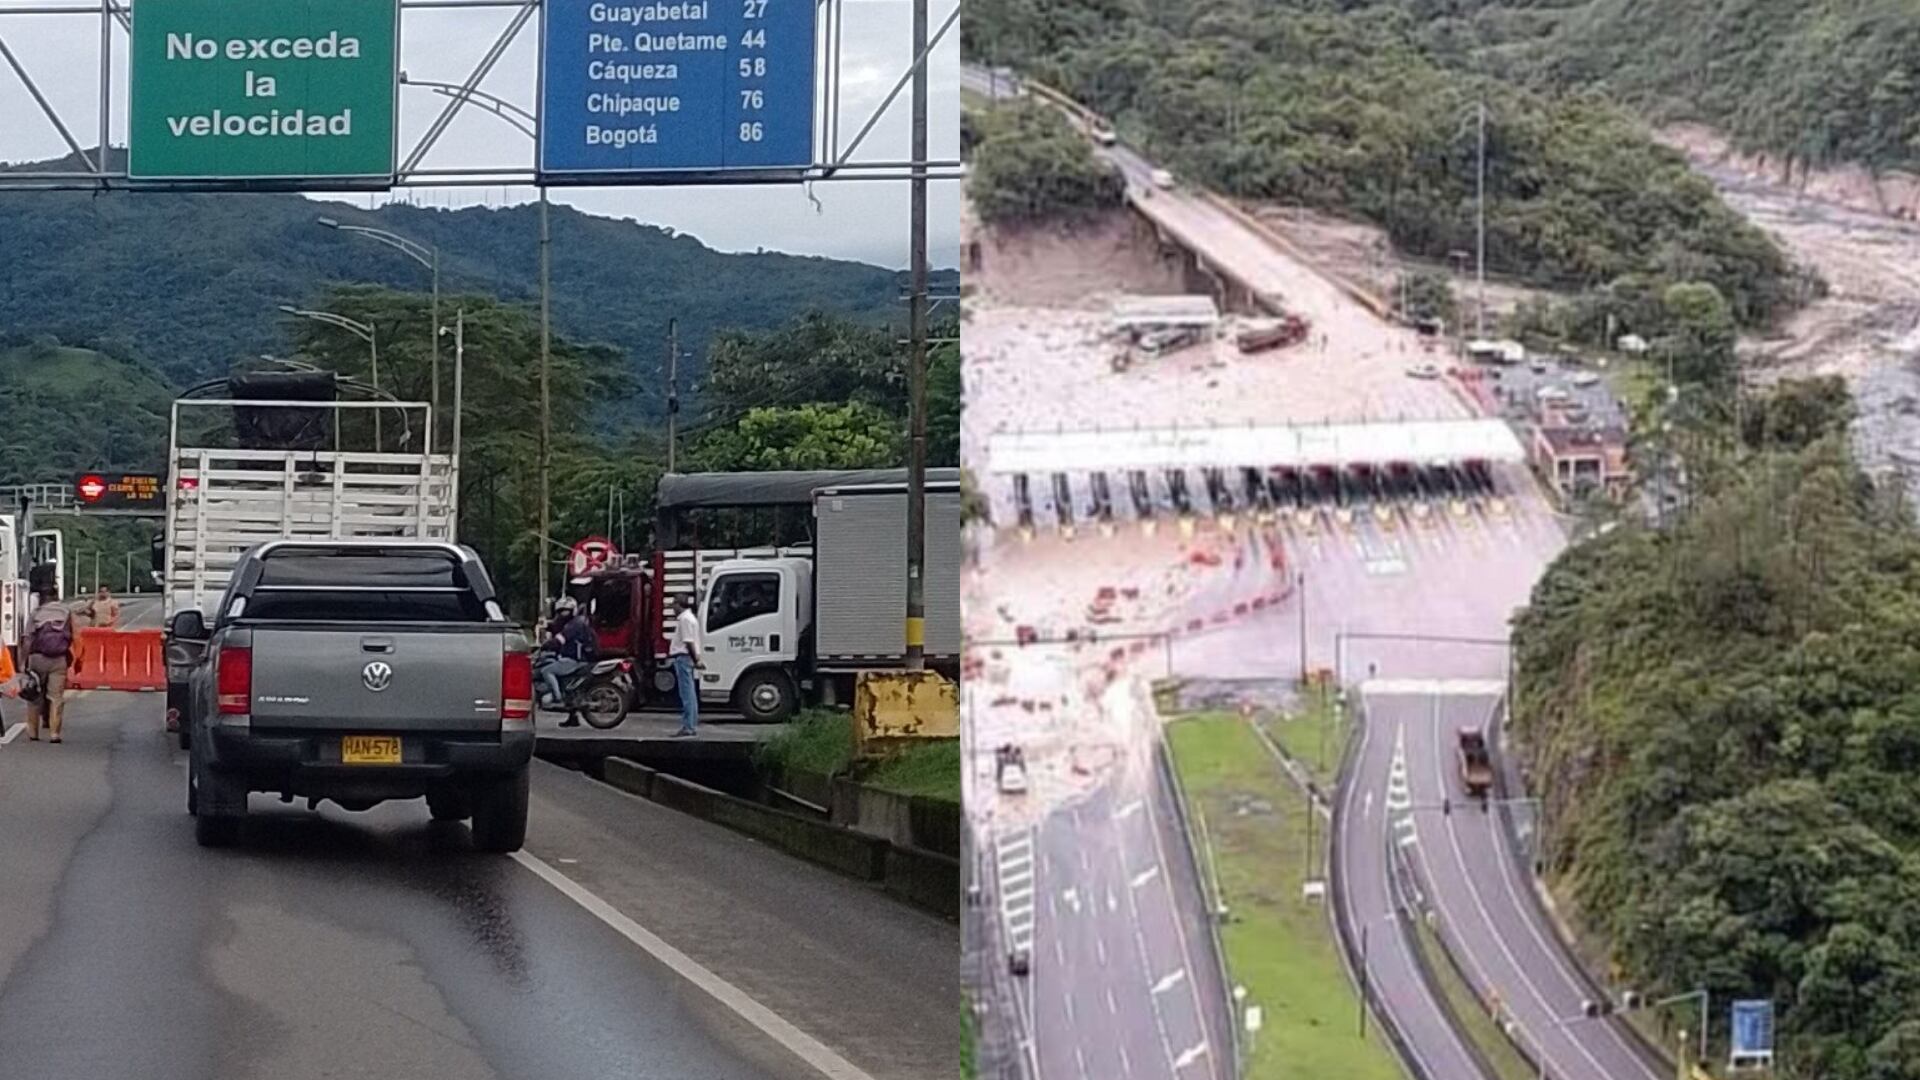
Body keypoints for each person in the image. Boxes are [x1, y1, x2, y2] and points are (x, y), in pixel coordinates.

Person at [23, 596, 84, 743]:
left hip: (37, 658)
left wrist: (23, 661)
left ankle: (33, 733)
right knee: (56, 697)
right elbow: (77, 637)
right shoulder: (67, 613)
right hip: (59, 659)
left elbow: (27, 639)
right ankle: (54, 734)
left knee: (34, 696)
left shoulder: (36, 612)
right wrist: (78, 661)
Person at [536, 597, 596, 725]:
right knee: (566, 685)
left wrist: (546, 645)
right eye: (561, 611)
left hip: (575, 659)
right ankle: (572, 718)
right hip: (572, 657)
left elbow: (560, 640)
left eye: (566, 611)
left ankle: (557, 699)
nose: (563, 614)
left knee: (547, 671)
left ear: (573, 611)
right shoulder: (573, 622)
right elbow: (557, 629)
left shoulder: (574, 624)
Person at [671, 593, 703, 737]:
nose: (672, 608)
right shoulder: (691, 619)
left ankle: (688, 727)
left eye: (673, 604)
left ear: (679, 604)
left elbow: (688, 642)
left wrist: (696, 660)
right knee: (690, 693)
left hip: (683, 658)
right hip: (687, 658)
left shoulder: (684, 619)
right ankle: (691, 724)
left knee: (686, 694)